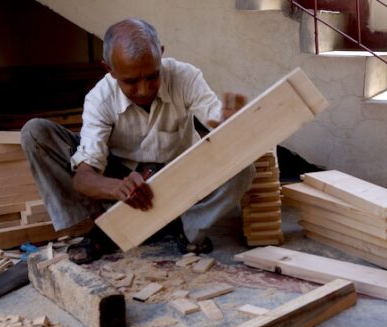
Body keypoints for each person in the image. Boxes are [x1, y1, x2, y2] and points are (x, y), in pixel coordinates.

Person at [21, 18, 255, 263]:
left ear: (161, 55)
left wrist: (230, 123)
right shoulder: (99, 99)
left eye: (153, 76)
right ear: (109, 69)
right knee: (36, 133)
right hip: (124, 176)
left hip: (182, 176)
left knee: (243, 168)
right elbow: (83, 177)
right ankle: (103, 227)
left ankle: (188, 228)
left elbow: (215, 118)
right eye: (131, 81)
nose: (144, 90)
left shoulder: (185, 76)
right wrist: (115, 187)